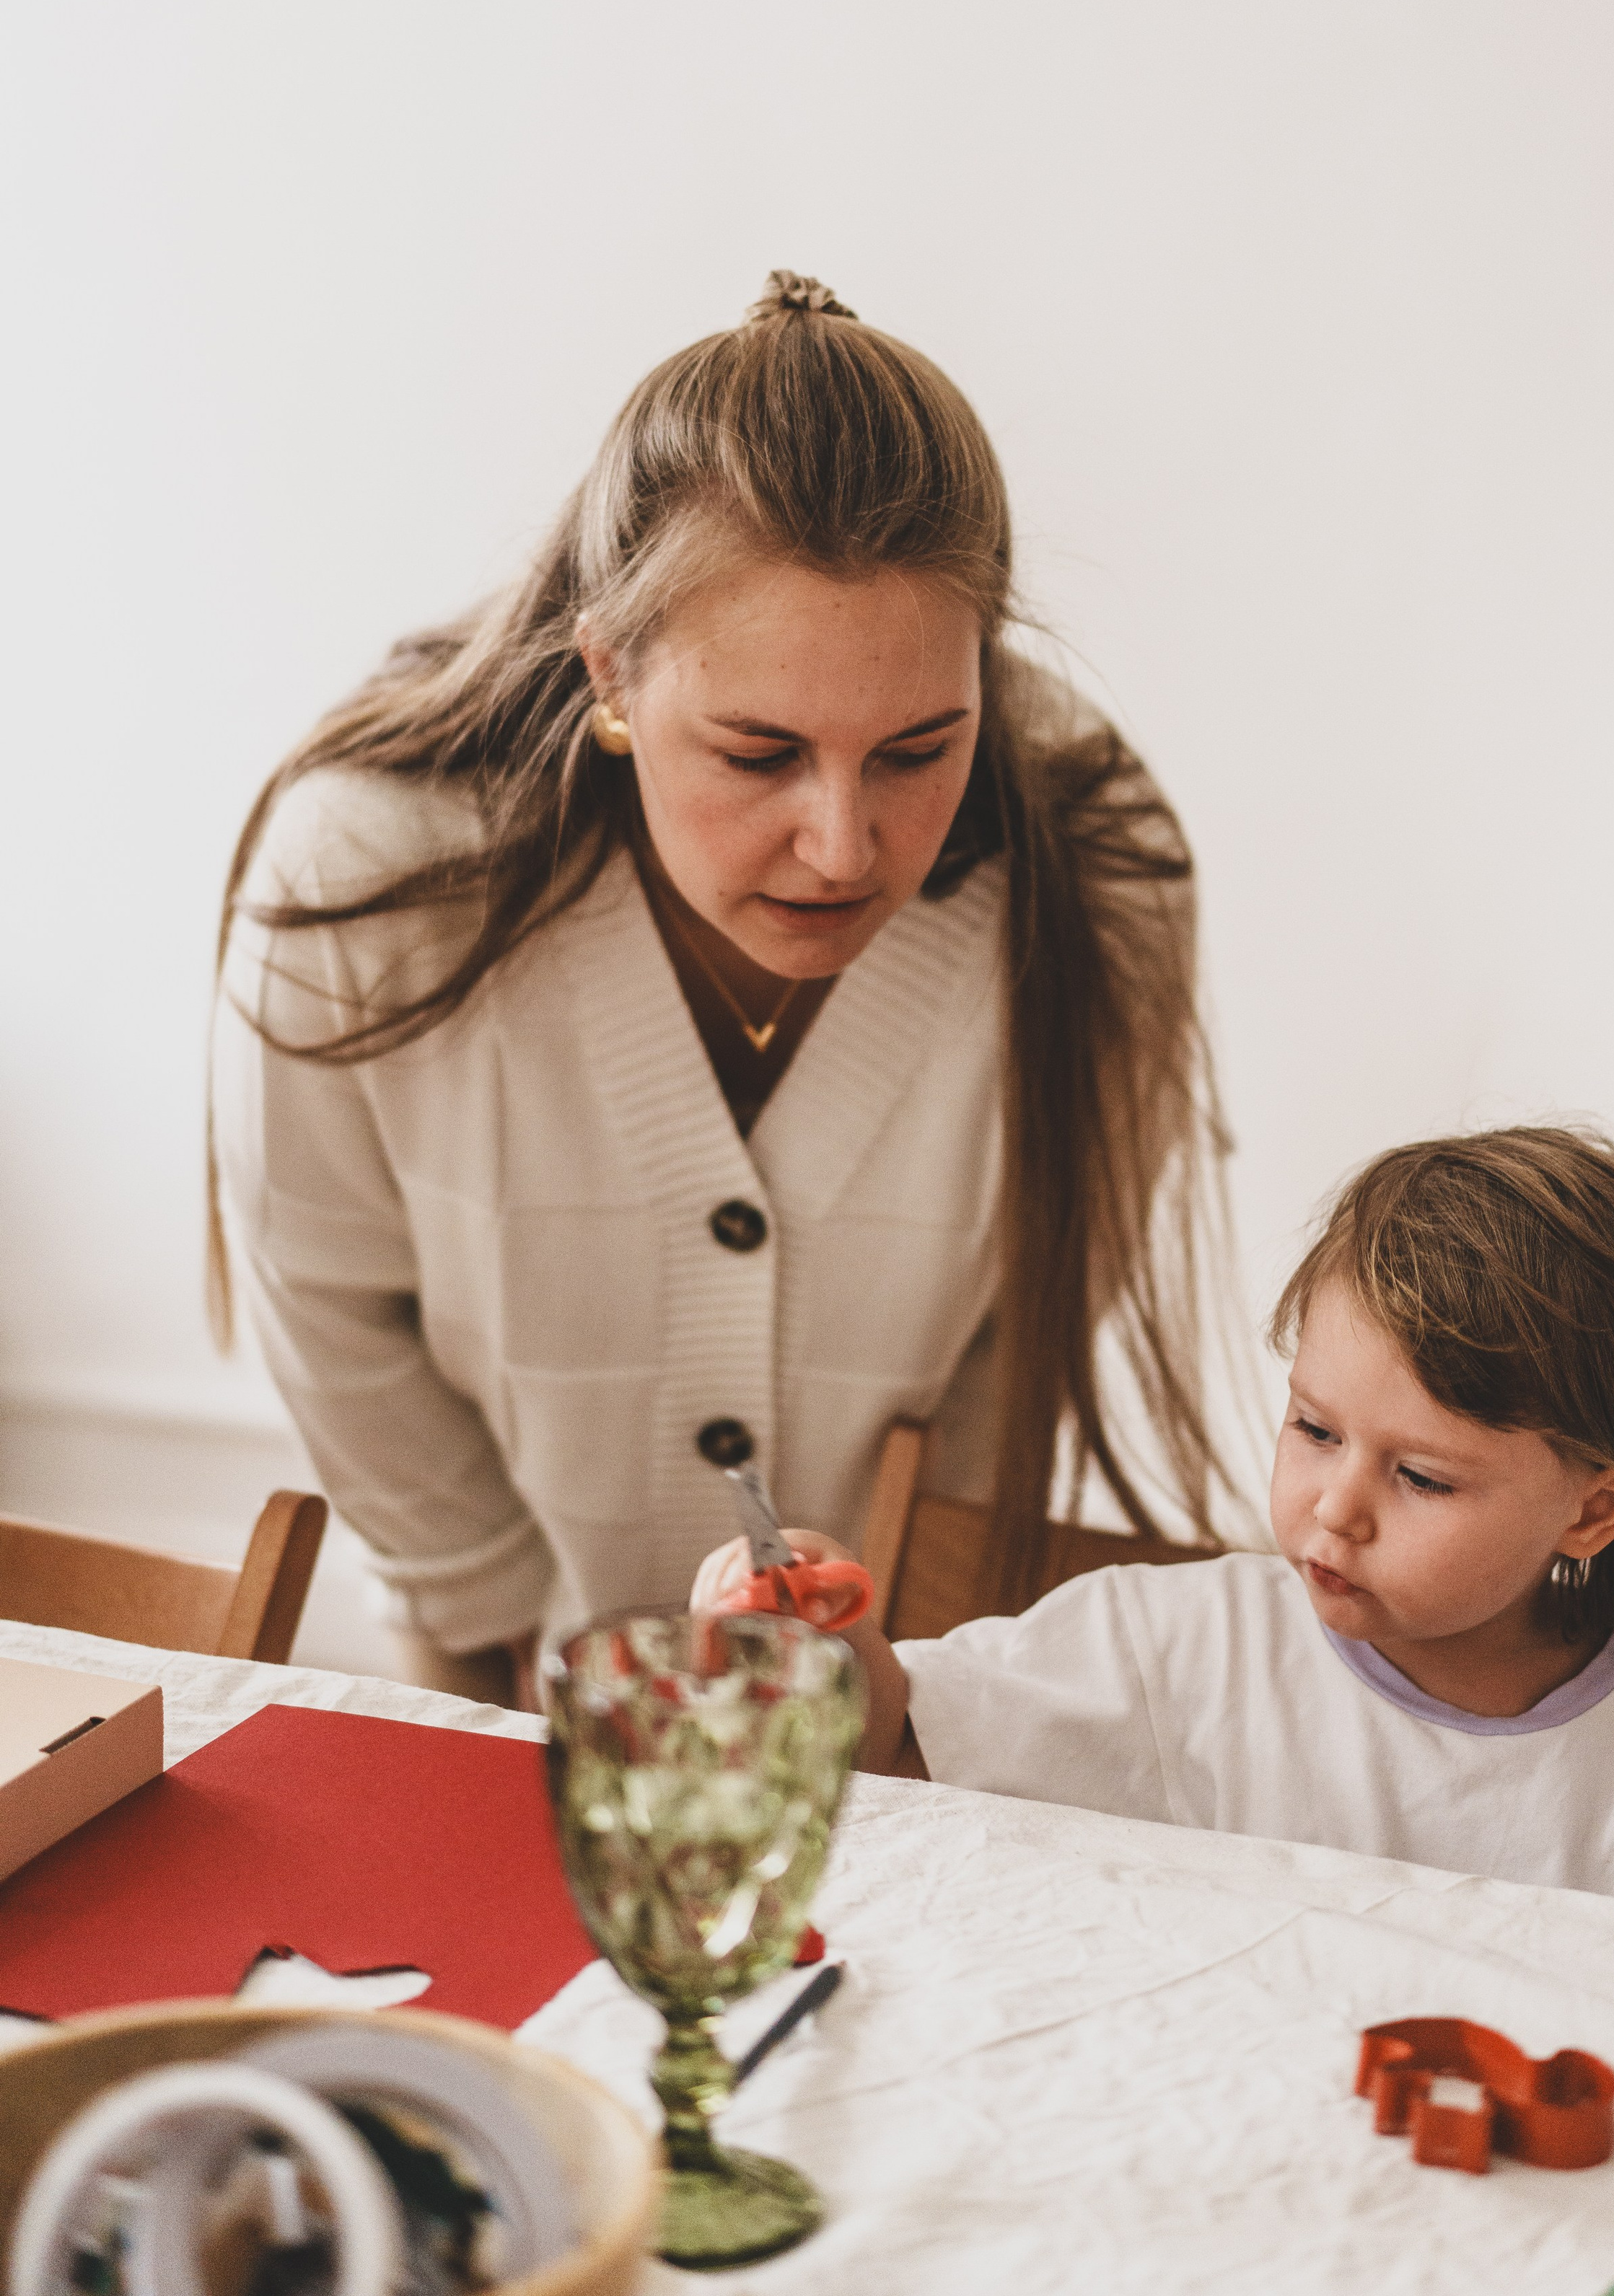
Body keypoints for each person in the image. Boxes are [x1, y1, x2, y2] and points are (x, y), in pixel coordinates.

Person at [211, 271, 1243, 1705]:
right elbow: (326, 1303)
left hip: (889, 1696)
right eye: (759, 754)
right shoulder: (365, 880)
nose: (841, 843)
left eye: (917, 748)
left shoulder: (1095, 873)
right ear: (611, 679)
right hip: (493, 1669)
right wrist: (488, 1616)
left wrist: (887, 1671)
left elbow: (1008, 1374)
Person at [696, 1126, 1614, 1934]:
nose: (1336, 1507)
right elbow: (899, 1750)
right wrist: (820, 1643)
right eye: (1315, 1428)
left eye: (1425, 1480)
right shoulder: (1171, 1647)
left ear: (1593, 1509)